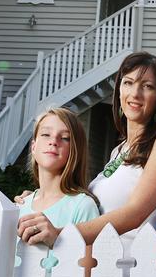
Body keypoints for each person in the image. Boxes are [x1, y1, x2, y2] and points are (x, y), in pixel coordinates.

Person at [17, 52, 156, 277]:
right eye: (128, 83)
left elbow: (134, 213)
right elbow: (86, 203)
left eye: (147, 86)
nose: (135, 94)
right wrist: (41, 198)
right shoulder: (119, 150)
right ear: (119, 90)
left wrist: (62, 234)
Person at [17, 108, 99, 263]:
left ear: (75, 151)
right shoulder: (20, 205)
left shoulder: (83, 206)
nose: (53, 141)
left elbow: (88, 273)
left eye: (65, 138)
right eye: (46, 134)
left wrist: (59, 241)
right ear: (33, 147)